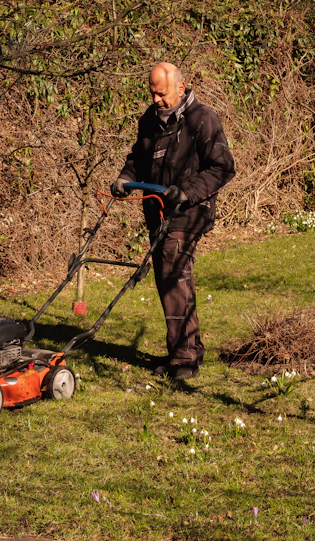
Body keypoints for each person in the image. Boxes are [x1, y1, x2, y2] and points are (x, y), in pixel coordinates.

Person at [112, 62, 236, 380]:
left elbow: (223, 167)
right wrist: (125, 178)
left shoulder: (202, 120)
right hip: (157, 212)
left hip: (188, 213)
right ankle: (189, 349)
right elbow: (137, 159)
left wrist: (188, 191)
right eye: (152, 93)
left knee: (173, 280)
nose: (155, 100)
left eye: (161, 93)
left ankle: (183, 359)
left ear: (180, 88)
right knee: (173, 282)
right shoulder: (149, 121)